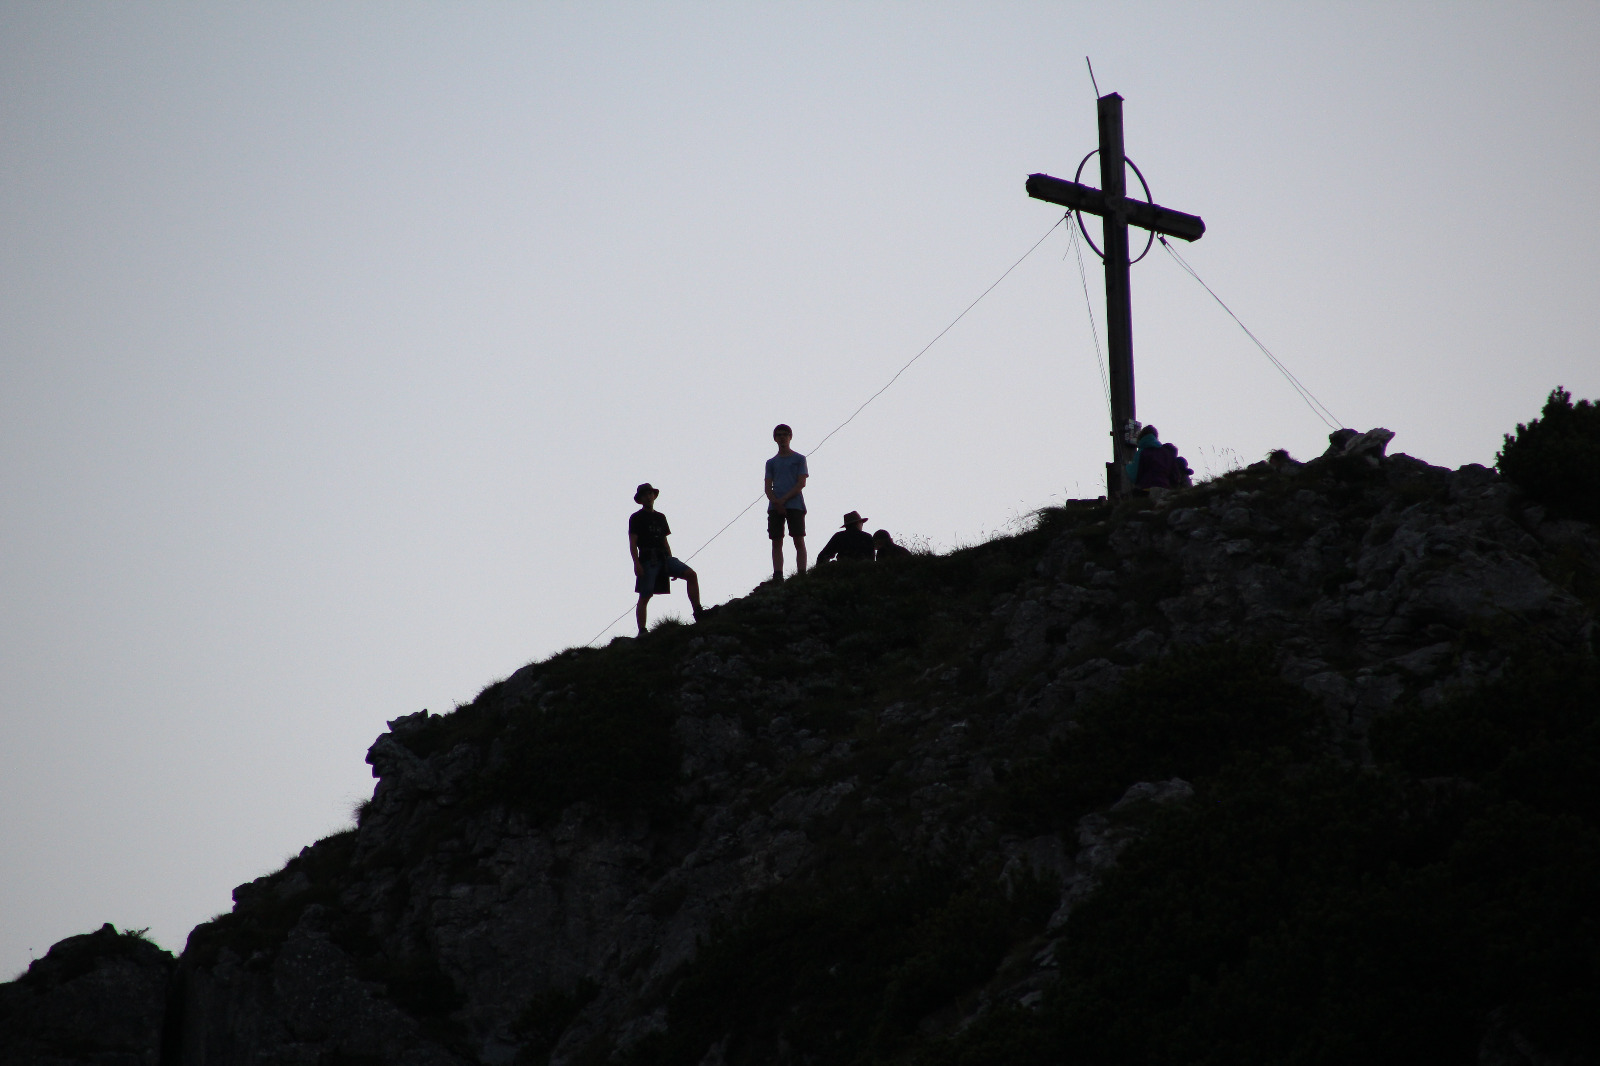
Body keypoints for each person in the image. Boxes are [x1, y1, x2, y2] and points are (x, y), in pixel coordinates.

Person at [628, 483, 703, 635]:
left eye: (650, 494)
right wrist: (636, 564)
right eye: (645, 495)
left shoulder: (660, 517)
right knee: (645, 595)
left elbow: (664, 540)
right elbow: (633, 543)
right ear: (640, 499)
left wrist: (670, 561)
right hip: (647, 559)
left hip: (664, 557)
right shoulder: (636, 517)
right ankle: (642, 630)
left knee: (691, 575)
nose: (649, 497)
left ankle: (698, 612)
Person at [764, 424, 808, 581]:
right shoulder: (771, 463)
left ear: (790, 436)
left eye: (785, 434)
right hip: (775, 506)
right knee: (776, 541)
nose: (782, 437)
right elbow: (767, 487)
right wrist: (776, 502)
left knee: (798, 539)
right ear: (775, 439)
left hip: (795, 504)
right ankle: (778, 574)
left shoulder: (799, 459)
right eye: (779, 435)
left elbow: (801, 483)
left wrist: (783, 500)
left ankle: (802, 573)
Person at [1124, 425, 1193, 490]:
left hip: (1146, 488)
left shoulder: (1141, 452)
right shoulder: (1166, 453)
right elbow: (1175, 475)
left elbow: (1134, 475)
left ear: (1141, 436)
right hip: (1165, 488)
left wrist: (1127, 467)